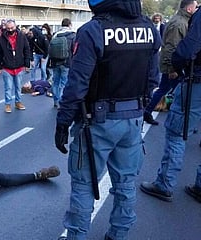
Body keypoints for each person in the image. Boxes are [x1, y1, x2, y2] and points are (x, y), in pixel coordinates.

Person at [54, 0, 161, 239]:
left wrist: (63, 122)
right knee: (125, 183)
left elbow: (76, 85)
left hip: (96, 122)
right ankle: (119, 234)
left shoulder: (93, 30)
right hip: (133, 119)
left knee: (83, 184)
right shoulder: (149, 28)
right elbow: (153, 79)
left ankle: (77, 235)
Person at [139, 4, 201, 204]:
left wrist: (177, 64)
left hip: (197, 81)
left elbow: (185, 50)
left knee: (176, 132)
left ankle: (165, 183)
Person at [143, 0, 198, 125]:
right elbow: (171, 47)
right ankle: (181, 120)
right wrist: (172, 68)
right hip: (174, 65)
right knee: (180, 93)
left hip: (174, 64)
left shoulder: (181, 21)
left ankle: (148, 111)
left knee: (165, 89)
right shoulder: (179, 23)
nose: (197, 10)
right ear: (189, 9)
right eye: (195, 7)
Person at [0, 18, 31, 113]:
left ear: (16, 26)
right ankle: (7, 104)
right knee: (8, 87)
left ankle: (18, 102)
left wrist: (27, 64)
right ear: (5, 28)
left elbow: (27, 50)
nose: (10, 30)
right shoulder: (1, 38)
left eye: (12, 28)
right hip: (7, 67)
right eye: (8, 28)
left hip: (19, 66)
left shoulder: (22, 36)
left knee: (18, 87)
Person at [49, 18, 76, 109]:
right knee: (63, 83)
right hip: (66, 62)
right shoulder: (72, 35)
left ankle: (56, 100)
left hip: (55, 62)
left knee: (55, 82)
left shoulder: (55, 35)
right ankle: (61, 100)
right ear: (69, 25)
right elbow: (75, 50)